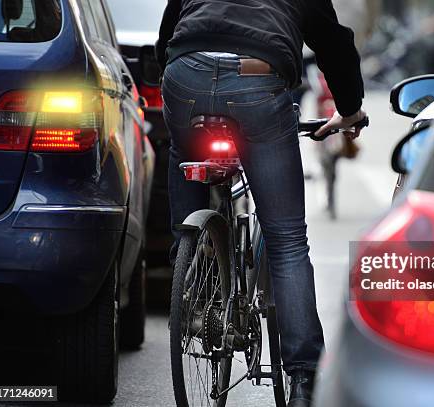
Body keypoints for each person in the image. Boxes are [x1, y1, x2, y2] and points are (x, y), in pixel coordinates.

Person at [156, 1, 367, 406]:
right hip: (258, 79)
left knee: (182, 155)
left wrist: (165, 69)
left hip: (186, 74)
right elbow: (333, 43)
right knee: (287, 241)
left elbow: (167, 37)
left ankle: (193, 273)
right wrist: (349, 110)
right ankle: (304, 379)